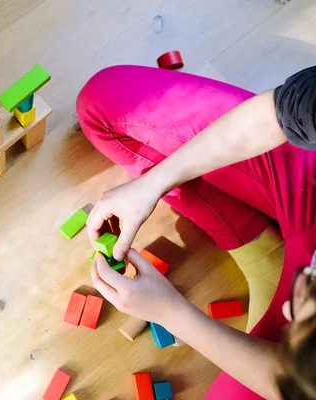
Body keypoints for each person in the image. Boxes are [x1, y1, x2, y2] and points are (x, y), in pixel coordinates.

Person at [77, 64, 316, 399]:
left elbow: (296, 387)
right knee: (102, 101)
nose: (289, 312)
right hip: (307, 187)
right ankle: (261, 248)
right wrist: (152, 184)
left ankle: (263, 254)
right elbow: (275, 114)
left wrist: (170, 312)